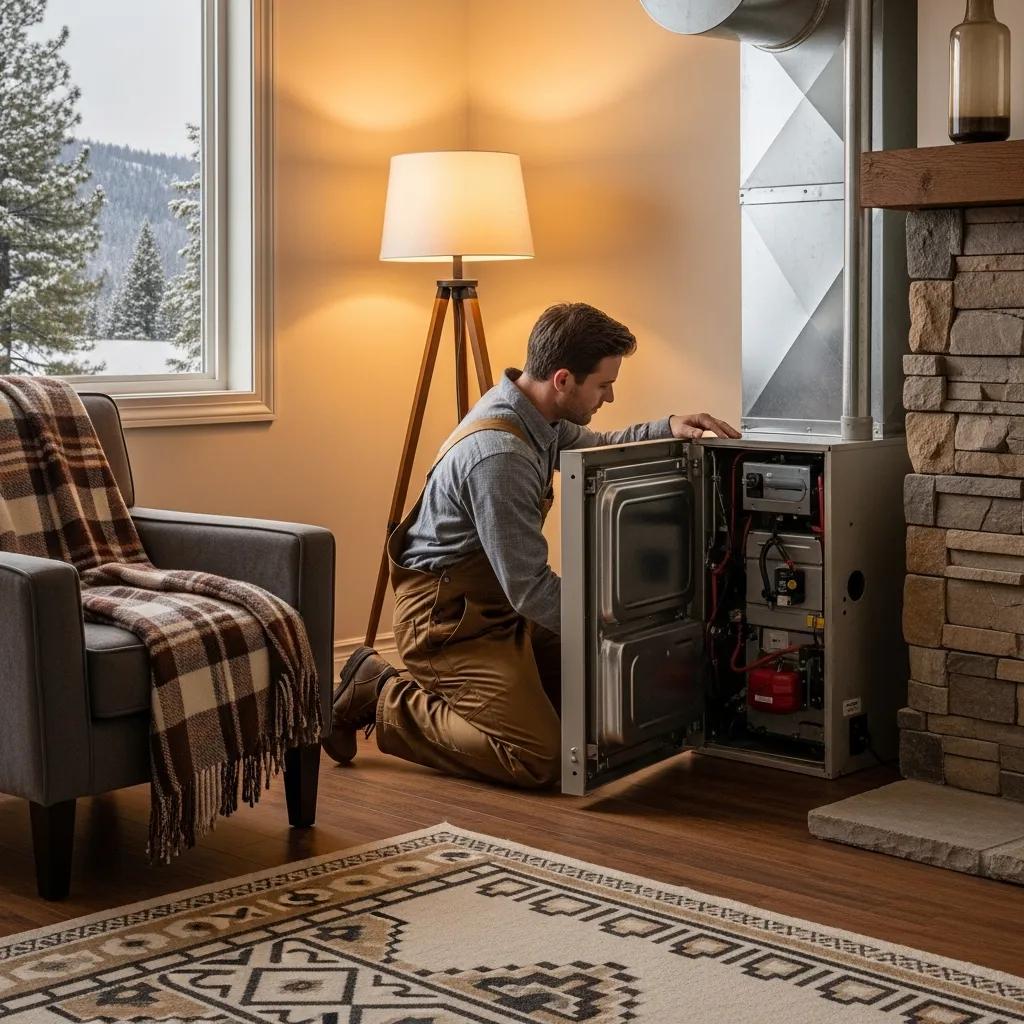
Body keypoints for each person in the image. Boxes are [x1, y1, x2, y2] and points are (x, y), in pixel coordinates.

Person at [323, 302, 739, 786]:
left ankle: (474, 694)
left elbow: (598, 445)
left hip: (497, 610)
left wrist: (665, 427)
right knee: (539, 757)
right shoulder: (500, 455)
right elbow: (532, 589)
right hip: (447, 623)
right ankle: (380, 692)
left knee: (597, 706)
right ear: (563, 379)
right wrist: (610, 625)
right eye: (603, 384)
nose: (609, 396)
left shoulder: (538, 416)